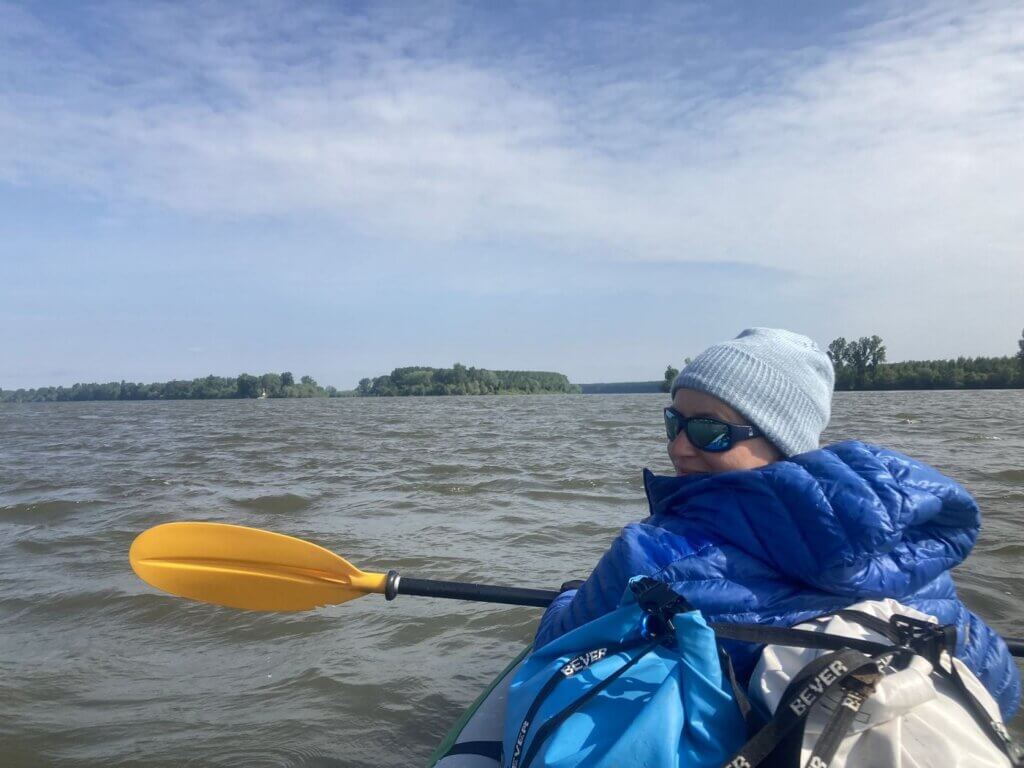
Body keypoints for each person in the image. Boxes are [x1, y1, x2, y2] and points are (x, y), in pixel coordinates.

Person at [535, 327, 1020, 719]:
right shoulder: (910, 549)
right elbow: (1000, 687)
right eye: (673, 423)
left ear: (782, 441)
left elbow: (556, 645)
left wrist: (572, 593)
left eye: (710, 431)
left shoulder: (653, 555)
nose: (678, 447)